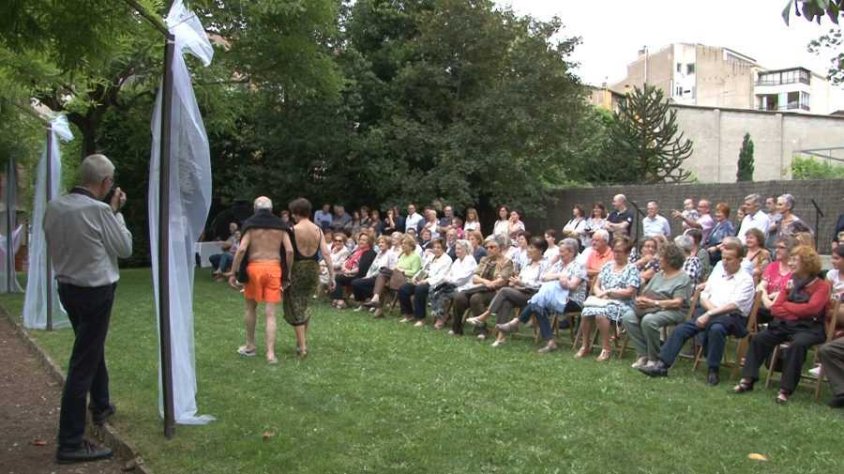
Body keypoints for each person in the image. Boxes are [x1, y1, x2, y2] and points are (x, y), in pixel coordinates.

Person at [44, 154, 132, 463]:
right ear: (106, 182)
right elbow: (124, 248)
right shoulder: (99, 210)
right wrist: (116, 213)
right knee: (83, 361)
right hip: (95, 290)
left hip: (67, 287)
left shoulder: (55, 207)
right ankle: (70, 442)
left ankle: (101, 403)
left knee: (90, 348)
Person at [639, 239, 756, 386]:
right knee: (682, 329)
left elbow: (734, 305)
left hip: (733, 318)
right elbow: (703, 296)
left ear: (740, 260)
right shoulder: (718, 274)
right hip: (710, 313)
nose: (725, 262)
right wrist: (711, 313)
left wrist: (709, 314)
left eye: (729, 259)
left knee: (716, 328)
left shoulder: (746, 280)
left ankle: (713, 370)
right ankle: (662, 365)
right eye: (723, 258)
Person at [733, 245, 831, 403]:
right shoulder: (791, 282)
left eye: (794, 260)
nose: (790, 263)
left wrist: (787, 306)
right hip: (786, 324)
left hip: (810, 328)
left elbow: (812, 309)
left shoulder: (821, 286)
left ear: (807, 263)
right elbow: (775, 309)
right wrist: (796, 310)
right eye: (790, 259)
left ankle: (785, 390)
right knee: (759, 338)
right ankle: (748, 380)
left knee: (797, 345)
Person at [229, 197, 294, 365]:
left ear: (255, 209)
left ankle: (250, 346)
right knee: (271, 313)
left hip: (254, 268)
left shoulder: (250, 225)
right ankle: (270, 354)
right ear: (271, 209)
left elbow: (242, 249)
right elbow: (289, 251)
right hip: (273, 268)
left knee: (250, 308)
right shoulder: (280, 225)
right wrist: (288, 273)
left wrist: (233, 272)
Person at [496, 238, 587, 353]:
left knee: (537, 302)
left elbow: (573, 286)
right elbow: (544, 277)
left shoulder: (579, 266)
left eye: (562, 251)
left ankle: (516, 322)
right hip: (554, 298)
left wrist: (565, 282)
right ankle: (550, 342)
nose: (559, 253)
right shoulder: (559, 264)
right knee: (538, 304)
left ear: (571, 252)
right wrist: (559, 276)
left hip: (572, 300)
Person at [622, 243, 692, 369]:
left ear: (670, 260)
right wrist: (641, 300)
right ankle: (644, 354)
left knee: (649, 320)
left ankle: (654, 358)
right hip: (652, 307)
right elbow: (646, 292)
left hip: (674, 310)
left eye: (661, 257)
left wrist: (654, 303)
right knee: (628, 317)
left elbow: (677, 302)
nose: (658, 259)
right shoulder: (659, 274)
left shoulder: (683, 278)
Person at [467, 237, 547, 346]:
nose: (528, 250)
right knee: (506, 302)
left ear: (540, 250)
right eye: (529, 247)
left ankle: (484, 316)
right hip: (520, 292)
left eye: (532, 248)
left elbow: (541, 285)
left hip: (534, 295)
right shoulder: (528, 263)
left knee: (504, 291)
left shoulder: (545, 265)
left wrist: (522, 283)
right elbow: (520, 278)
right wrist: (515, 282)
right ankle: (501, 338)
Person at [576, 236, 640, 361]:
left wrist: (610, 292)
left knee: (601, 315)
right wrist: (599, 293)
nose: (616, 254)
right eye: (615, 251)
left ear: (627, 253)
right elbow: (596, 285)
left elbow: (630, 291)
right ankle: (585, 345)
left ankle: (606, 348)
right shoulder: (607, 266)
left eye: (620, 251)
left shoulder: (632, 269)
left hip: (623, 303)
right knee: (586, 312)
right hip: (603, 300)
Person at [284, 198, 334, 358]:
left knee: (295, 305)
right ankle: (301, 342)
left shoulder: (292, 230)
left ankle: (303, 347)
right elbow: (326, 253)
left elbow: (289, 252)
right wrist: (332, 275)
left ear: (296, 212)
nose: (292, 216)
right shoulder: (318, 230)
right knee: (305, 304)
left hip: (297, 268)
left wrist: (287, 273)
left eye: (293, 213)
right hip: (313, 268)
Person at [448, 235, 514, 338]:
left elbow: (502, 280)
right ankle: (456, 328)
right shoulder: (484, 260)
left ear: (500, 248)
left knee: (476, 298)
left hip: (496, 292)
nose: (489, 249)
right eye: (487, 247)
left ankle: (481, 330)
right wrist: (485, 282)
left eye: (492, 247)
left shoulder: (507, 262)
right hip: (480, 288)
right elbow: (474, 278)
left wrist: (489, 283)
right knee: (459, 297)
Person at [398, 238, 452, 326]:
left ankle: (421, 318)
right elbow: (423, 270)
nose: (436, 249)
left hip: (436, 284)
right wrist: (416, 278)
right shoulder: (431, 257)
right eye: (434, 247)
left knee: (419, 289)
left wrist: (426, 281)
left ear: (444, 249)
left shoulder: (447, 260)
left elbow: (441, 277)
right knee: (404, 288)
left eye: (439, 248)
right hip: (423, 280)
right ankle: (408, 314)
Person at [365, 235, 421, 316]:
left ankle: (376, 301)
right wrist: (396, 269)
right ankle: (376, 300)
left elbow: (415, 272)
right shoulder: (403, 255)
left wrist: (402, 270)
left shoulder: (416, 257)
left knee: (383, 274)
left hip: (407, 279)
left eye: (405, 243)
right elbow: (396, 266)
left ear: (411, 246)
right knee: (382, 276)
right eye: (402, 243)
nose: (403, 245)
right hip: (396, 277)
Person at [431, 240, 478, 328]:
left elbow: (462, 279)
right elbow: (450, 274)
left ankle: (441, 318)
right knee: (435, 290)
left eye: (459, 249)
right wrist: (447, 279)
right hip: (454, 285)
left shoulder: (470, 260)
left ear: (466, 249)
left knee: (443, 294)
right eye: (456, 249)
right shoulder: (457, 261)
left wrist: (448, 280)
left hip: (465, 288)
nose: (456, 251)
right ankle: (443, 315)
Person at [349, 235, 397, 312]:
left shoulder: (391, 254)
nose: (380, 244)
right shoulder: (379, 253)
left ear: (388, 244)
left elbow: (392, 268)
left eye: (382, 242)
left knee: (357, 283)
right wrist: (367, 276)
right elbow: (372, 267)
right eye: (379, 243)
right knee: (356, 282)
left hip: (383, 278)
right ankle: (364, 303)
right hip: (372, 276)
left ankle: (371, 301)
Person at [330, 232, 377, 309]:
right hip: (349, 273)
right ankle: (339, 300)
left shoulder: (370, 253)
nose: (361, 241)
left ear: (369, 242)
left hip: (360, 275)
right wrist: (344, 267)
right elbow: (346, 260)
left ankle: (339, 301)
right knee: (337, 277)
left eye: (364, 240)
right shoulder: (357, 251)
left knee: (346, 279)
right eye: (360, 239)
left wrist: (349, 272)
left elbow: (362, 268)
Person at [756, 237, 796, 324]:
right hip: (766, 304)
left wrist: (773, 303)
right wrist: (767, 300)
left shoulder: (796, 270)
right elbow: (761, 286)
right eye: (776, 247)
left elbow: (788, 292)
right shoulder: (772, 266)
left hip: (783, 310)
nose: (777, 250)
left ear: (791, 250)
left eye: (781, 247)